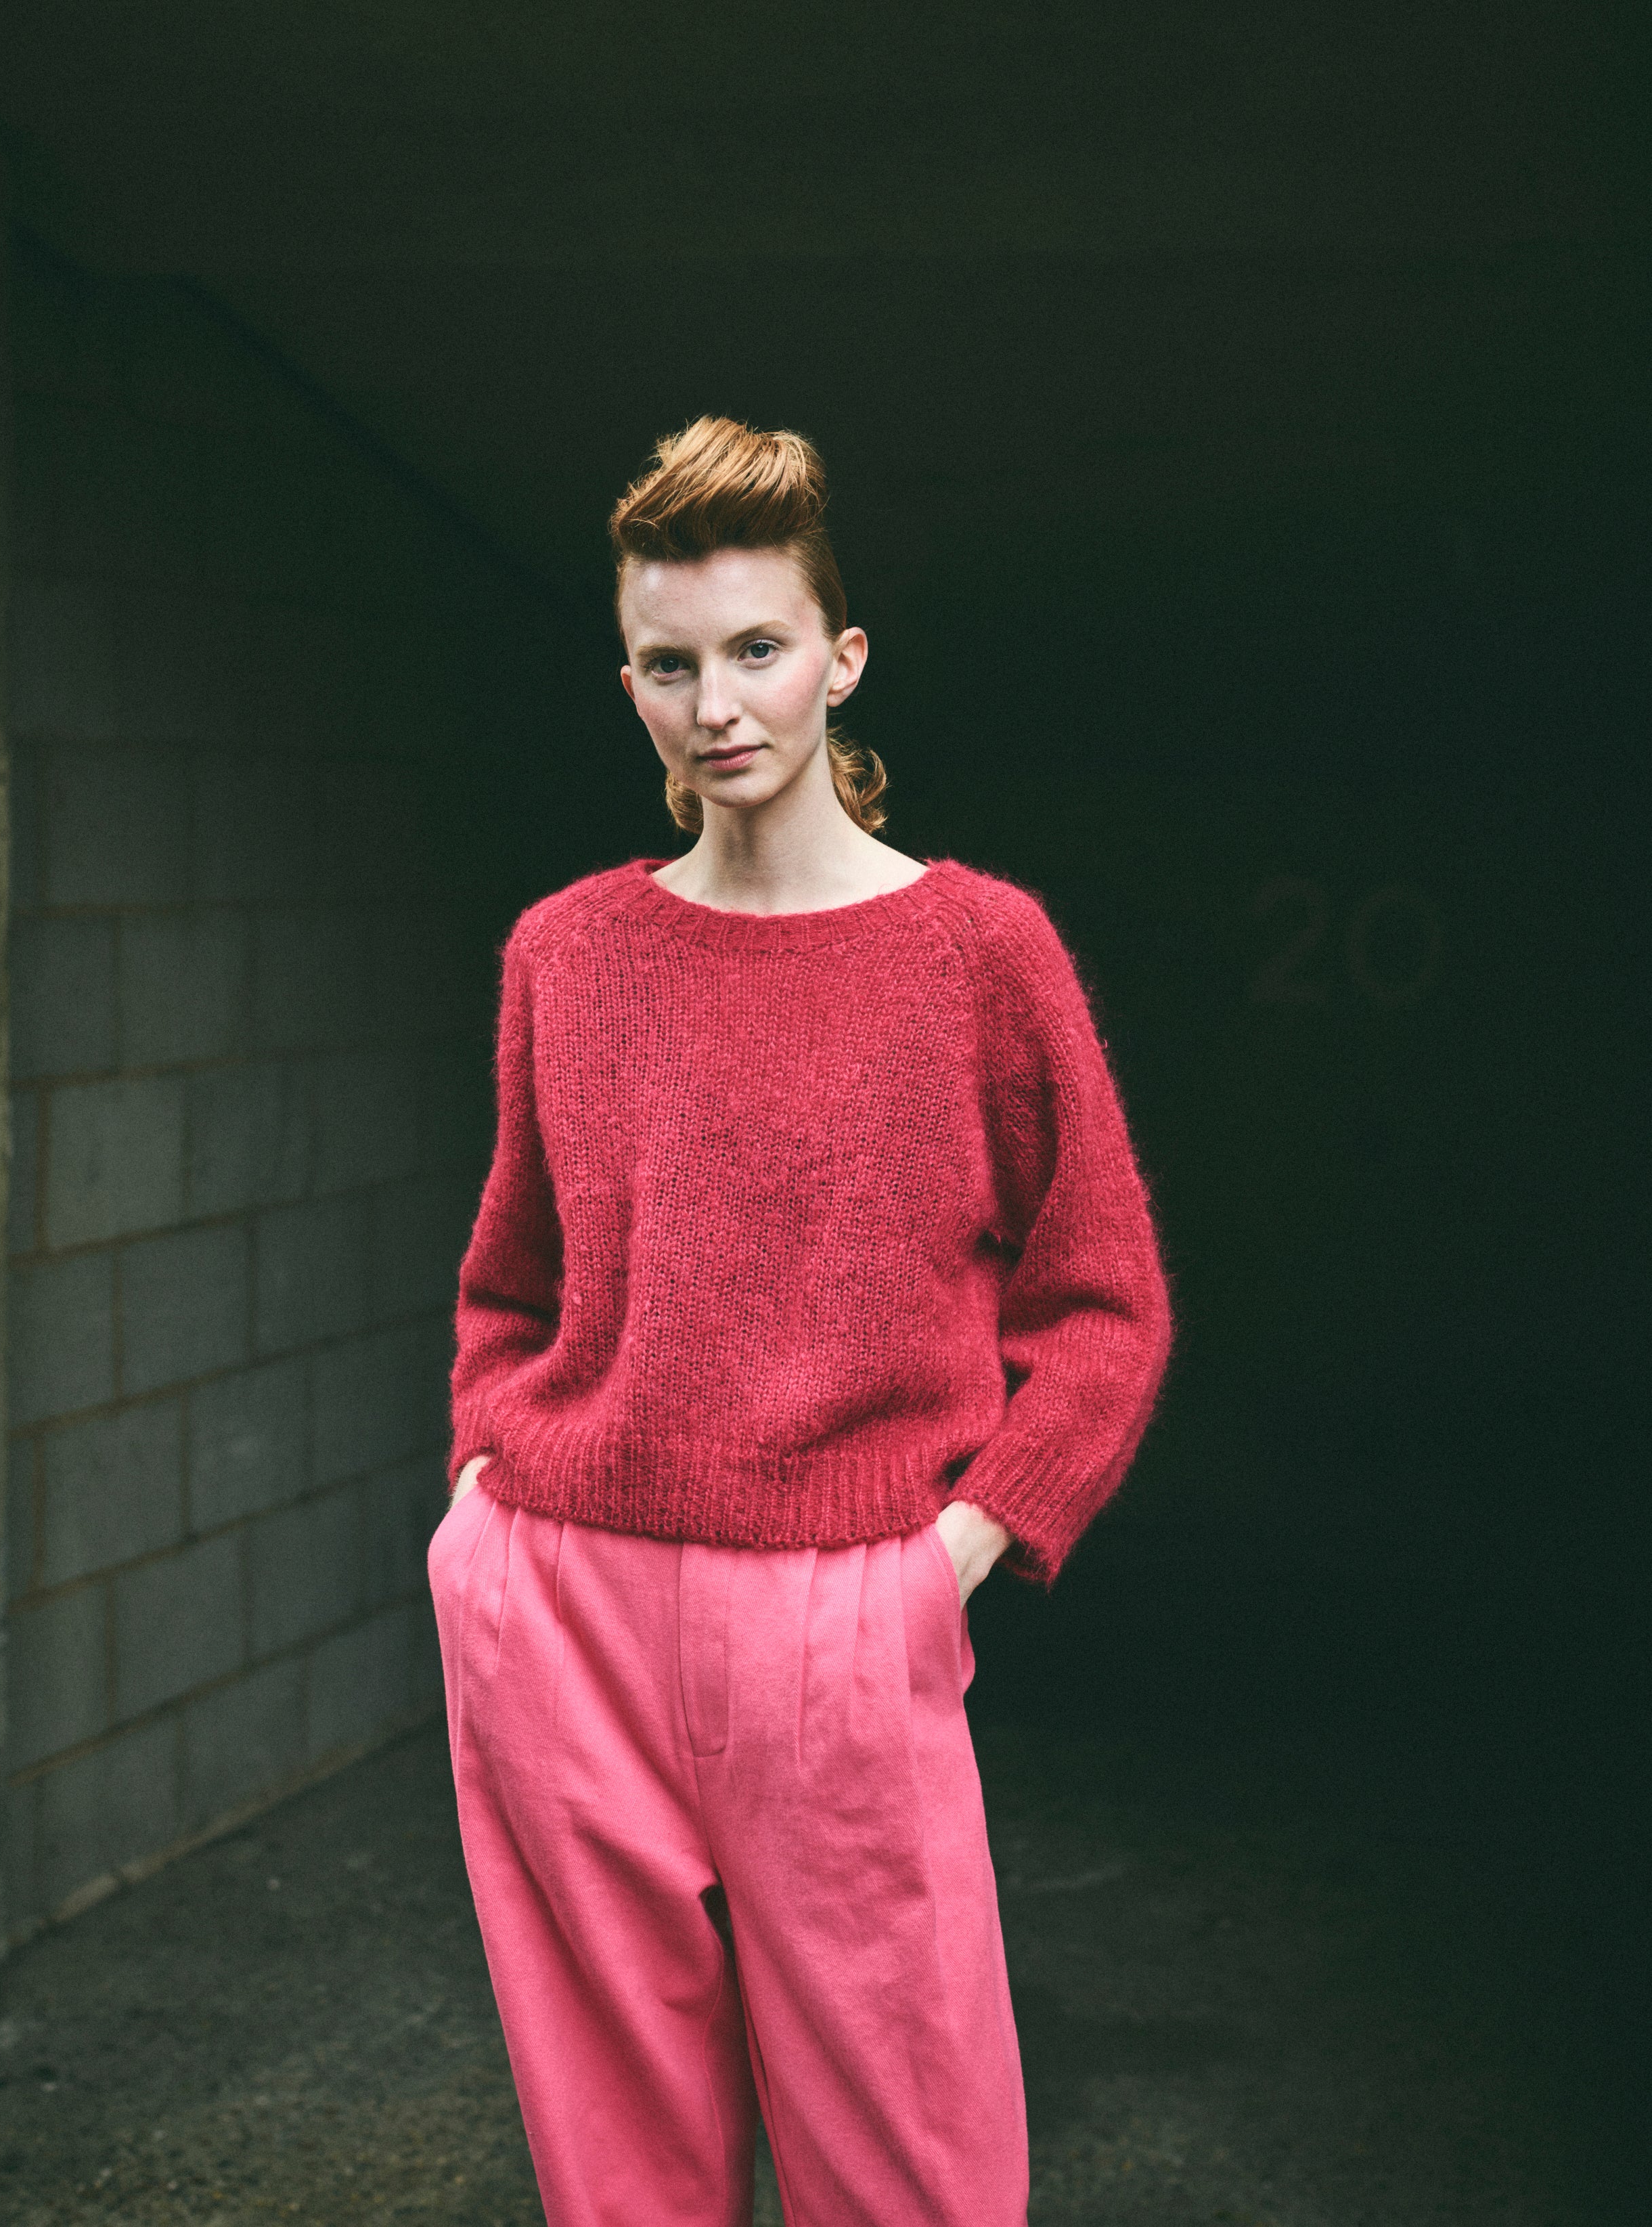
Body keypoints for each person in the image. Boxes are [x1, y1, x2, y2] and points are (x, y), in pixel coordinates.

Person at [428, 416, 1171, 2226]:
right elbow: (510, 1282)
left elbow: (1103, 1303)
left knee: (912, 2157)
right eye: (671, 664)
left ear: (840, 658)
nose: (718, 703)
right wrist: (477, 1511)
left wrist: (958, 1551)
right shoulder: (565, 953)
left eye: (756, 648)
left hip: (847, 1603)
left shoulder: (978, 951)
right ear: (631, 684)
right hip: (564, 1600)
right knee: (619, 2165)